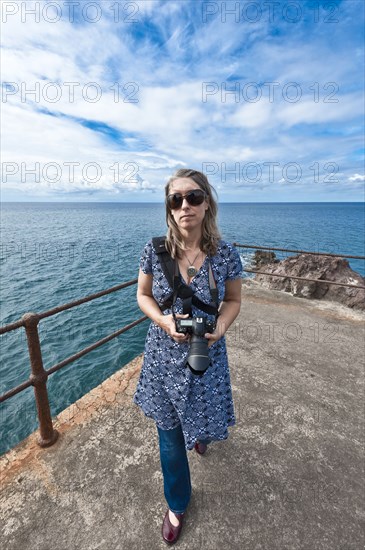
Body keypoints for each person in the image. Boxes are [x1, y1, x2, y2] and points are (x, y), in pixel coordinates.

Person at [133, 168, 243, 544]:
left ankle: (202, 437)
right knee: (169, 436)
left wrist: (222, 327)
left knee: (202, 418)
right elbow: (143, 296)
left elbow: (233, 300)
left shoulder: (225, 253)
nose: (185, 205)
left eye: (193, 197)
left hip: (207, 351)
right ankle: (176, 504)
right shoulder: (155, 249)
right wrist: (163, 321)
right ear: (168, 207)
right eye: (175, 199)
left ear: (207, 202)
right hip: (163, 358)